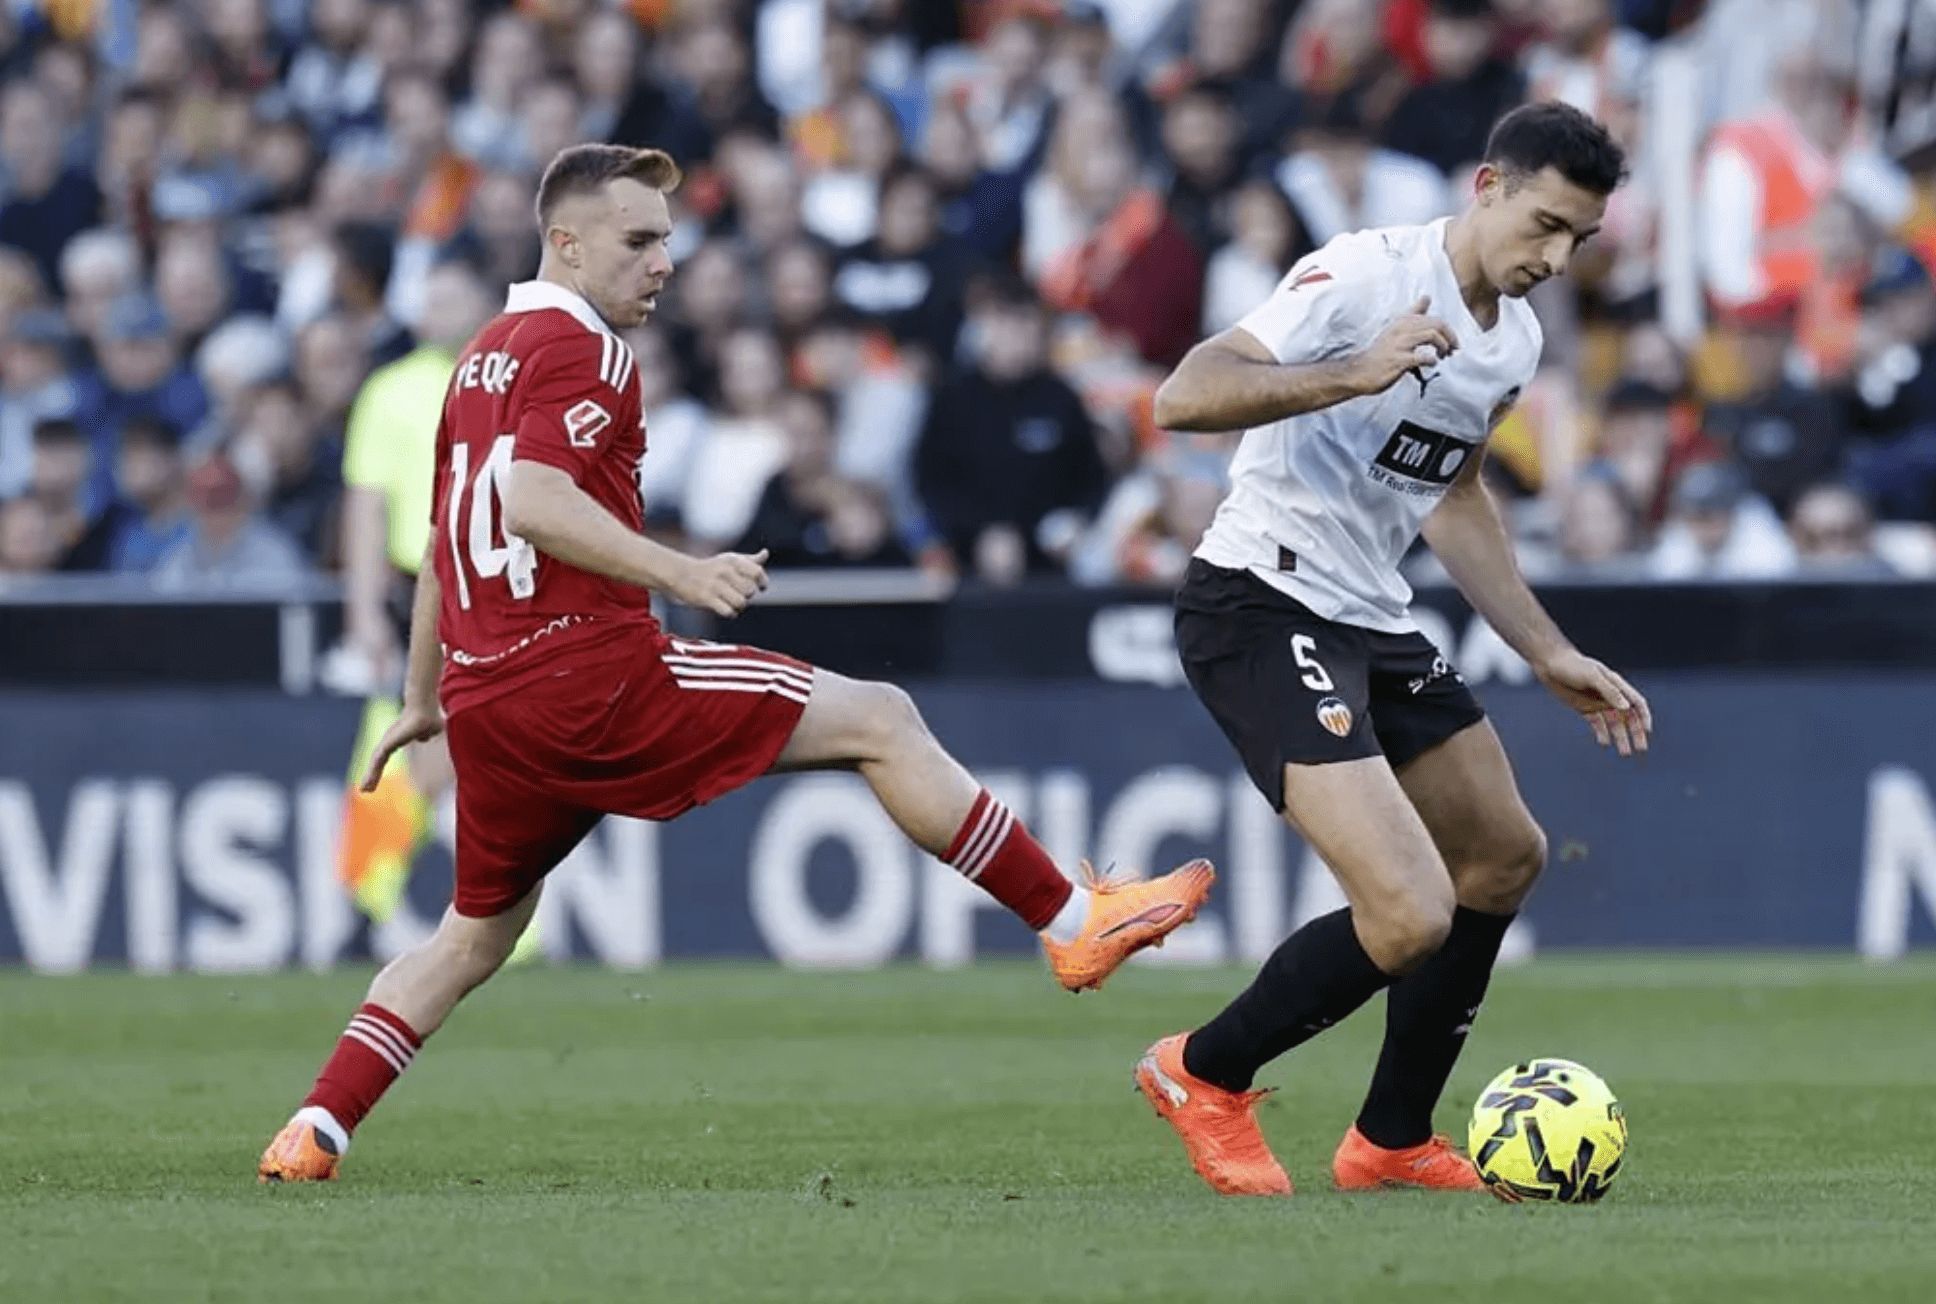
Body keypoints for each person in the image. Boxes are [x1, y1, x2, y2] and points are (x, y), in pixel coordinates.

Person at [259, 144, 1215, 1183]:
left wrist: (420, 693)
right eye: (638, 240)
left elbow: (450, 531)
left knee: (468, 939)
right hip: (590, 677)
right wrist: (683, 569)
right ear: (566, 245)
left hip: (490, 700)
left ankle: (315, 1125)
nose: (663, 260)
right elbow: (530, 501)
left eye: (668, 238)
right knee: (882, 716)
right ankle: (1075, 920)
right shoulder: (589, 352)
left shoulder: (477, 358)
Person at [1136, 103, 1651, 1198]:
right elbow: (1182, 394)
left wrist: (1545, 649)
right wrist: (1349, 371)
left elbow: (1452, 494)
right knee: (1409, 909)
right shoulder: (1366, 275)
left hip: (1371, 616)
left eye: (1580, 241)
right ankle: (1201, 1069)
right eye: (1546, 225)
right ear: (1486, 188)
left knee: (1503, 855)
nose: (1556, 258)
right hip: (1258, 602)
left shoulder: (1511, 338)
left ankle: (1389, 1138)